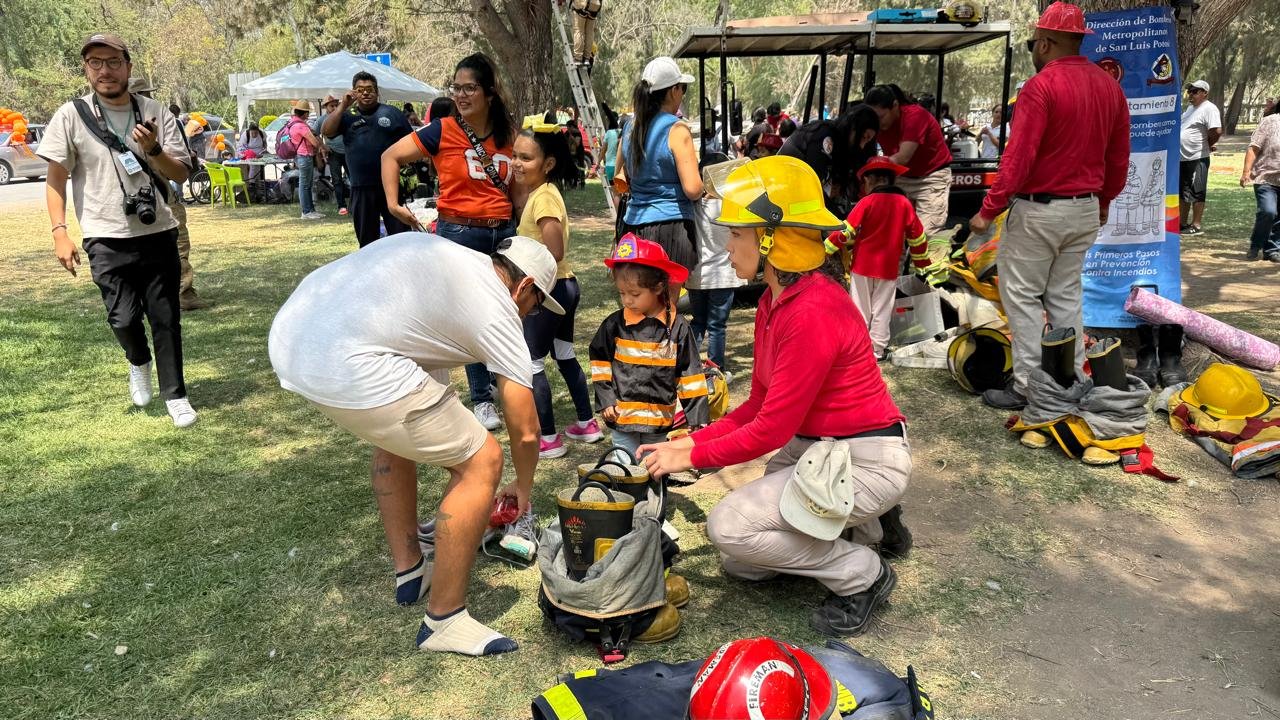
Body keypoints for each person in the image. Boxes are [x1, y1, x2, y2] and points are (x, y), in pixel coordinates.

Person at [638, 155, 912, 637]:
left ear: (772, 238)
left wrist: (694, 458)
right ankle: (867, 524)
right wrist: (692, 441)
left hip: (863, 456)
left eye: (737, 233)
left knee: (730, 528)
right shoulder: (773, 299)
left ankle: (864, 573)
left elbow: (771, 429)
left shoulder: (811, 311)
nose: (727, 244)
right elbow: (756, 405)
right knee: (743, 562)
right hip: (818, 447)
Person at [268, 234, 560, 657]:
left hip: (294, 335)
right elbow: (526, 428)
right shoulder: (497, 306)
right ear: (524, 286)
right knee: (483, 461)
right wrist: (524, 488)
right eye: (534, 304)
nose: (530, 314)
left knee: (396, 435)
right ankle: (445, 620)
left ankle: (410, 569)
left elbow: (423, 384)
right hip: (343, 358)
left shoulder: (446, 266)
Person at [969, 1, 1130, 410]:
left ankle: (1027, 384)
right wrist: (1105, 200)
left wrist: (988, 210)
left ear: (1045, 42)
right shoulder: (1110, 87)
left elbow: (1018, 159)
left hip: (1040, 209)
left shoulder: (1040, 88)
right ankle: (1069, 375)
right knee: (1065, 296)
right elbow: (1118, 156)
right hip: (1084, 209)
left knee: (1021, 295)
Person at [40, 32, 198, 428]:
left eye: (113, 62)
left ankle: (176, 395)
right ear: (86, 69)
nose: (105, 71)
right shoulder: (71, 115)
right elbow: (55, 178)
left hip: (158, 230)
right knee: (123, 319)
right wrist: (60, 231)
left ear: (128, 66)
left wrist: (155, 150)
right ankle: (138, 360)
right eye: (96, 62)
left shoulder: (155, 111)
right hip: (104, 234)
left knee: (165, 317)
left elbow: (181, 172)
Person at [382, 53, 517, 432]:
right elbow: (390, 156)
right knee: (473, 314)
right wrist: (393, 205)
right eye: (456, 88)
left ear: (489, 92)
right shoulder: (442, 130)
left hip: (504, 233)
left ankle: (501, 381)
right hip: (459, 233)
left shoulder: (508, 134)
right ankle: (482, 399)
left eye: (469, 87)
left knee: (505, 314)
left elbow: (519, 183)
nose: (460, 94)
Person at [512, 123, 603, 458]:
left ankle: (548, 438)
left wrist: (530, 287)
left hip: (548, 293)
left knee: (532, 362)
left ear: (547, 163)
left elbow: (554, 251)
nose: (517, 163)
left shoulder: (545, 198)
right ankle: (586, 423)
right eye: (514, 156)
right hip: (563, 288)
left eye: (526, 157)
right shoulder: (542, 193)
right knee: (564, 355)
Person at [590, 234, 709, 458]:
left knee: (653, 468)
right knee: (624, 471)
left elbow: (690, 374)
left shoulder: (677, 327)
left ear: (658, 286)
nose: (626, 300)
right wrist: (605, 399)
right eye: (622, 293)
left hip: (659, 422)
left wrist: (697, 416)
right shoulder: (614, 325)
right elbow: (599, 361)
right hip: (622, 418)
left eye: (634, 294)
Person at [825, 157, 936, 360]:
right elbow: (917, 237)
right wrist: (922, 267)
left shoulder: (866, 202)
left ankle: (856, 346)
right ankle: (876, 350)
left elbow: (846, 231)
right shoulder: (904, 204)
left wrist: (826, 248)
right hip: (888, 268)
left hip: (862, 266)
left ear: (868, 180)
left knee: (859, 307)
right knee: (882, 309)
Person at [616, 56, 705, 294]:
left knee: (641, 302)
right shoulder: (676, 129)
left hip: (634, 225)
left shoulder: (631, 126)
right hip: (671, 228)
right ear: (673, 90)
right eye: (682, 88)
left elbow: (621, 175)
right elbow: (693, 189)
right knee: (667, 305)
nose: (683, 94)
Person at [131, 77, 211, 312]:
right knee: (179, 243)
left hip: (138, 195)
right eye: (146, 93)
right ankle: (183, 293)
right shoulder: (160, 120)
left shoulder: (122, 123)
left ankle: (154, 293)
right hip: (161, 190)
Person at [323, 71, 414, 246]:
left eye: (370, 89)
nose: (365, 93)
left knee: (402, 238)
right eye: (360, 89)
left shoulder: (392, 113)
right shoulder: (347, 116)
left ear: (377, 91)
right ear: (353, 92)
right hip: (361, 187)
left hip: (392, 186)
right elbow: (327, 131)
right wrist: (342, 106)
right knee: (367, 241)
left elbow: (411, 141)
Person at [865, 83, 954, 238]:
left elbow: (903, 157)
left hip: (931, 177)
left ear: (895, 105)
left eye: (881, 117)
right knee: (894, 233)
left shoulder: (915, 116)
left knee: (927, 234)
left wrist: (876, 164)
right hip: (902, 177)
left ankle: (927, 261)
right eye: (873, 118)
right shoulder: (873, 122)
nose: (877, 123)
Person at [688, 154, 745, 378]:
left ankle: (687, 365)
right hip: (723, 275)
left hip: (698, 275)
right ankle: (715, 369)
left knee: (698, 322)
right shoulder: (729, 207)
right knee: (717, 326)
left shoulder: (692, 206)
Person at [778, 104, 881, 216]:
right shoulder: (824, 136)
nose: (862, 145)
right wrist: (841, 222)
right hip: (784, 202)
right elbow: (814, 189)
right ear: (853, 127)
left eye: (867, 141)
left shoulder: (840, 148)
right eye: (863, 137)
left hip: (799, 203)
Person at [1179, 79, 1222, 235]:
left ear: (1205, 93)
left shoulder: (1209, 108)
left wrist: (1208, 144)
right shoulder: (1190, 108)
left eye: (1195, 91)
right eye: (1190, 91)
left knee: (1197, 190)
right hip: (1183, 157)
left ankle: (1196, 225)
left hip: (1197, 156)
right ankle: (1182, 223)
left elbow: (1216, 131)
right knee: (1183, 190)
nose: (1191, 94)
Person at [1241, 102, 1280, 262]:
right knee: (1268, 211)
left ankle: (1272, 249)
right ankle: (1256, 245)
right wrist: (1246, 171)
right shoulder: (1270, 121)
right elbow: (1254, 147)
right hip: (1265, 177)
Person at [287, 100, 327, 220]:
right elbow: (314, 142)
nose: (308, 115)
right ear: (304, 113)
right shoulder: (301, 126)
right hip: (304, 157)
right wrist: (321, 147)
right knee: (305, 185)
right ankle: (306, 211)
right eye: (307, 113)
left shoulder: (293, 123)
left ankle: (310, 210)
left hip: (302, 157)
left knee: (307, 184)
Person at [315, 95, 349, 216]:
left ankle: (356, 203)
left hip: (349, 152)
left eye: (336, 105)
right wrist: (323, 146)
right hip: (333, 153)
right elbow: (314, 133)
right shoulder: (322, 120)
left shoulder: (344, 116)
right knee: (337, 180)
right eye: (331, 106)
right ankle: (342, 205)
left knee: (354, 178)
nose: (334, 108)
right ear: (326, 107)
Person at [571, 0, 602, 67]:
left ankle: (578, 58)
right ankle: (586, 58)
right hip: (595, 4)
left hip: (583, 2)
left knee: (578, 30)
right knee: (589, 32)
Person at [601, 110, 620, 186]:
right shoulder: (622, 132)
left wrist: (598, 162)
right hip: (621, 167)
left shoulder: (608, 133)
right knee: (622, 191)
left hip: (611, 167)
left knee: (615, 193)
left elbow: (603, 151)